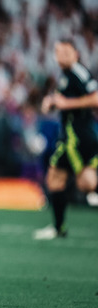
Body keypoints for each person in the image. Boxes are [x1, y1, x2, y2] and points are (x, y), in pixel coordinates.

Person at [35, 39, 98, 240]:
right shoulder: (66, 75)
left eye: (66, 52)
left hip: (77, 137)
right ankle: (58, 228)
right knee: (66, 180)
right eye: (58, 52)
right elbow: (62, 100)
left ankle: (58, 227)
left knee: (83, 183)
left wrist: (65, 103)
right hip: (71, 136)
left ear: (76, 54)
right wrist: (51, 102)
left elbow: (96, 98)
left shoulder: (79, 72)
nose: (61, 56)